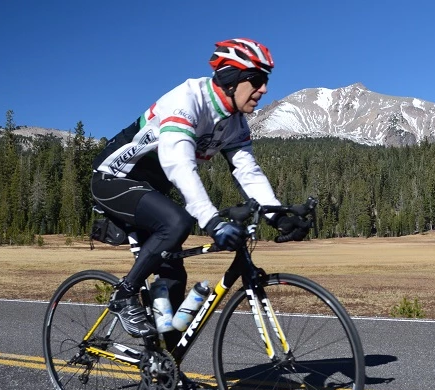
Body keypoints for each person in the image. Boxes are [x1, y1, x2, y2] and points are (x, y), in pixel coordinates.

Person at [90, 38, 310, 340]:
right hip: (114, 178)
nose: (264, 90)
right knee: (177, 222)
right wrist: (211, 220)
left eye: (266, 81)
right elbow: (179, 164)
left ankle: (162, 375)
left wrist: (276, 215)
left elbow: (247, 171)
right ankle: (124, 296)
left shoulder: (235, 123)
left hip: (151, 188)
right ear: (231, 79)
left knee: (172, 281)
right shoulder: (188, 100)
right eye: (257, 80)